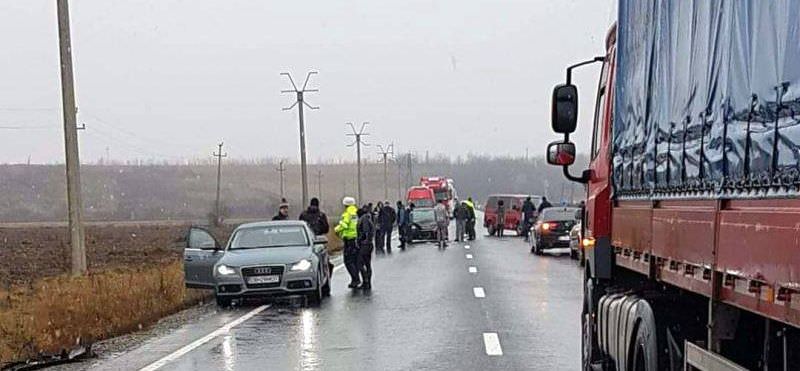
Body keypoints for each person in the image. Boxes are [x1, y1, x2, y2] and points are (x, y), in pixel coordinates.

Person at [334, 197, 360, 288]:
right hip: (356, 238)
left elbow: (344, 224)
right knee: (355, 260)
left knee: (348, 261)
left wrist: (336, 229)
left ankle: (355, 279)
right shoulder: (356, 213)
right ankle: (356, 278)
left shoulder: (347, 214)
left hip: (349, 239)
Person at [357, 204, 375, 290]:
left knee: (360, 263)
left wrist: (361, 240)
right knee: (367, 264)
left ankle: (366, 280)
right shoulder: (368, 218)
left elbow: (365, 232)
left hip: (365, 245)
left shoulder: (363, 219)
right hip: (369, 244)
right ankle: (368, 282)